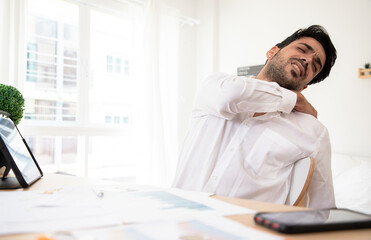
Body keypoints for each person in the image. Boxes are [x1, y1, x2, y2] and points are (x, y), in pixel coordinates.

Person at [172, 25, 337, 208]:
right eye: (302, 49)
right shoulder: (217, 85)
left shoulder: (313, 131)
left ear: (305, 86)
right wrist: (294, 99)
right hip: (178, 219)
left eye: (315, 65)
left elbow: (323, 207)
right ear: (272, 52)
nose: (307, 60)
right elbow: (230, 97)